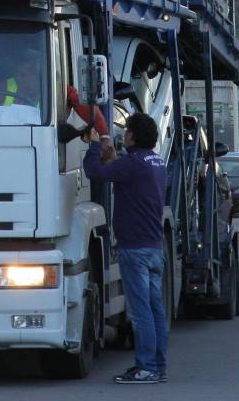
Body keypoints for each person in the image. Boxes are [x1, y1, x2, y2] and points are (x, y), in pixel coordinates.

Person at [83, 113, 168, 384]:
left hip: (135, 248)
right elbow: (122, 174)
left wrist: (95, 146)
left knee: (140, 312)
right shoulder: (156, 162)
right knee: (155, 310)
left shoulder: (132, 164)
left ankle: (146, 368)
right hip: (154, 247)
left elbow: (95, 173)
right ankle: (157, 366)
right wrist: (111, 157)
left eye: (127, 130)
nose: (125, 134)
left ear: (132, 135)